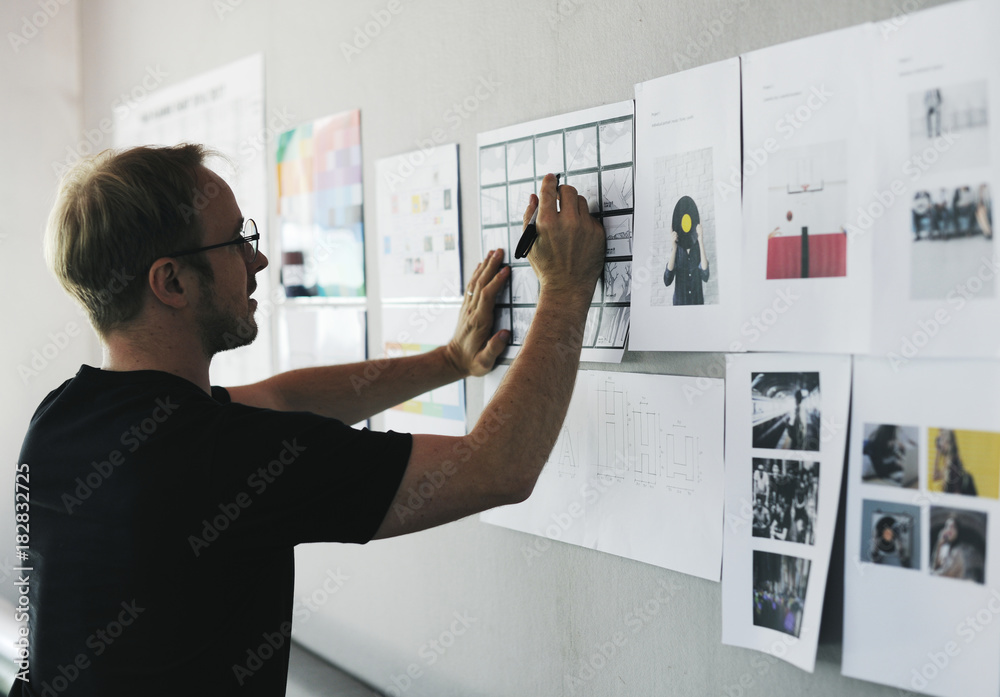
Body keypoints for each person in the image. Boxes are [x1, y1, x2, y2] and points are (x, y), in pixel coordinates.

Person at [14, 144, 606, 696]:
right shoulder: (222, 459)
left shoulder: (64, 420)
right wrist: (566, 289)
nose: (260, 259)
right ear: (171, 282)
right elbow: (499, 467)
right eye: (235, 242)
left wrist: (449, 360)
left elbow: (276, 401)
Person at [663, 196, 709, 305]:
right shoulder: (676, 250)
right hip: (680, 304)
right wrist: (674, 249)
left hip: (697, 303)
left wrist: (701, 241)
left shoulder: (697, 247)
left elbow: (705, 275)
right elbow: (667, 280)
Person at [932, 428, 977, 496]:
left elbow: (957, 493)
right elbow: (935, 476)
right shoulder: (947, 460)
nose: (939, 442)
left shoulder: (953, 461)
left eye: (941, 439)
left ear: (947, 442)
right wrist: (938, 452)